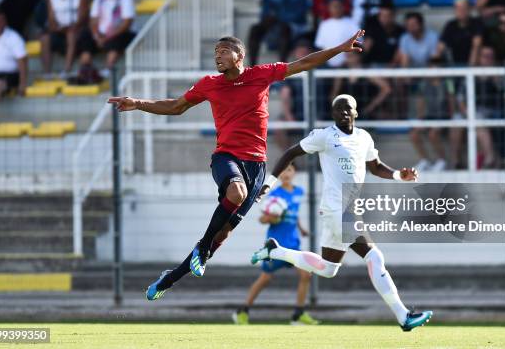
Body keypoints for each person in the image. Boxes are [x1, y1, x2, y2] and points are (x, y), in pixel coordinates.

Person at [108, 29, 366, 298]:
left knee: (225, 232)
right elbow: (175, 106)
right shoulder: (209, 83)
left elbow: (303, 64)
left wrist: (339, 48)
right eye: (215, 53)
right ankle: (202, 248)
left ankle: (169, 278)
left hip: (257, 166)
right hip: (226, 157)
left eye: (223, 51)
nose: (217, 56)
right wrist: (137, 103)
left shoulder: (261, 75)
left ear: (239, 55)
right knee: (235, 194)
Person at [251, 94, 433, 332]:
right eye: (338, 110)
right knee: (373, 256)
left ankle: (276, 251)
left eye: (347, 109)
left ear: (356, 112)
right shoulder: (324, 136)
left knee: (328, 268)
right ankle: (403, 315)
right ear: (332, 114)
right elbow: (290, 153)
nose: (343, 113)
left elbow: (376, 166)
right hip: (337, 209)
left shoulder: (364, 138)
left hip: (343, 210)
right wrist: (270, 182)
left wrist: (400, 175)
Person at [232, 163, 318, 326]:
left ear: (294, 173)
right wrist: (272, 218)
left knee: (306, 274)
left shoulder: (299, 192)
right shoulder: (274, 195)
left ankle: (298, 315)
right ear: (279, 175)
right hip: (276, 246)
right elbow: (262, 219)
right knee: (265, 279)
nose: (286, 173)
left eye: (290, 170)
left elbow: (295, 214)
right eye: (283, 170)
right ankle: (242, 310)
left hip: (293, 244)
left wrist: (301, 229)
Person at [76, 0, 134, 80]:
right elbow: (93, 20)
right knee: (85, 35)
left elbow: (126, 23)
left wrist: (107, 37)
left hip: (116, 33)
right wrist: (97, 36)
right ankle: (84, 69)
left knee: (120, 38)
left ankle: (108, 69)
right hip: (101, 35)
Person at [247, 0, 309, 66]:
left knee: (284, 28)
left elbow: (300, 14)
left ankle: (281, 67)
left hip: (293, 26)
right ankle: (252, 68)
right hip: (273, 25)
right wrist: (266, 18)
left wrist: (279, 19)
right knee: (255, 29)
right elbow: (265, 9)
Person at [409, 56, 455, 172]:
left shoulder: (447, 82)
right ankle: (425, 161)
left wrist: (452, 118)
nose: (433, 70)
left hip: (444, 116)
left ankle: (442, 161)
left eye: (436, 67)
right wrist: (420, 119)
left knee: (433, 134)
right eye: (431, 67)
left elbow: (452, 101)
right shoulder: (424, 84)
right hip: (429, 116)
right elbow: (421, 102)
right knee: (414, 134)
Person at [41, 0, 88, 77]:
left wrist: (71, 27)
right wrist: (57, 28)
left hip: (76, 30)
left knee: (71, 34)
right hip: (59, 30)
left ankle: (67, 69)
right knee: (44, 38)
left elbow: (82, 18)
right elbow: (51, 18)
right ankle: (47, 72)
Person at [314, 0, 360, 68]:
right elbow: (320, 46)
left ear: (343, 7)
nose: (336, 9)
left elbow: (358, 45)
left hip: (347, 65)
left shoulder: (352, 23)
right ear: (329, 8)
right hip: (327, 65)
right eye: (334, 6)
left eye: (339, 6)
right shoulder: (324, 25)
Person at [436, 0, 483, 66]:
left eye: (464, 8)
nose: (461, 11)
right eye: (458, 9)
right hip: (456, 61)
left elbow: (476, 45)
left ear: (469, 9)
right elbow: (441, 45)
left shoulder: (476, 23)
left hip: (475, 62)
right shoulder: (450, 25)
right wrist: (436, 59)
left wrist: (470, 69)